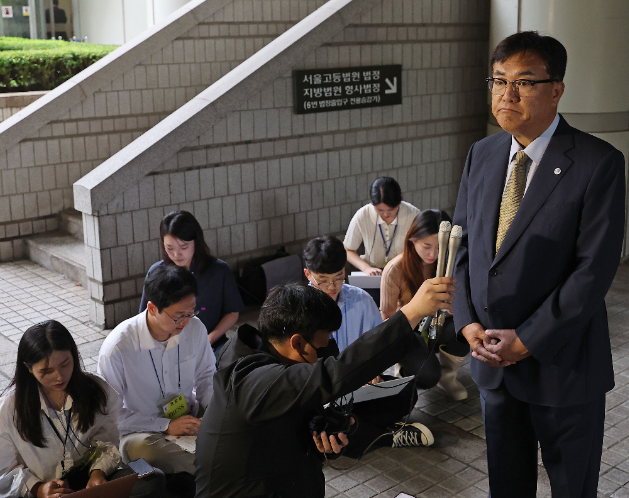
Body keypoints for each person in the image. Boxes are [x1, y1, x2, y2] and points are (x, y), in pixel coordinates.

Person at [453, 31, 625, 498]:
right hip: (494, 364)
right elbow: (464, 248)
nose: (507, 94)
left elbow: (593, 271)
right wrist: (467, 323)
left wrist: (527, 339)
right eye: (498, 80)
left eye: (524, 82)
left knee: (572, 487)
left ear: (556, 89)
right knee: (507, 487)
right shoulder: (482, 154)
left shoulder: (597, 162)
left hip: (563, 366)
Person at [194, 277, 456, 498]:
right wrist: (411, 313)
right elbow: (334, 373)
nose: (324, 355)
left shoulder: (269, 355)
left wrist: (317, 429)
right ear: (297, 342)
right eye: (321, 349)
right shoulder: (251, 380)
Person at [0, 320, 165, 498]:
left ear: (74, 355)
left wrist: (98, 472)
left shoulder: (95, 389)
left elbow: (107, 439)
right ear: (28, 368)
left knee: (152, 479)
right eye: (46, 371)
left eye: (65, 364)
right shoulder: (10, 408)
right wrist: (37, 488)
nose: (59, 376)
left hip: (85, 479)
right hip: (45, 491)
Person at [302, 235, 433, 456]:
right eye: (323, 280)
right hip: (320, 394)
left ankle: (349, 428)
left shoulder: (361, 300)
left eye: (338, 277)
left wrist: (374, 374)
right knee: (317, 421)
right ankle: (382, 435)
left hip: (356, 390)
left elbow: (379, 348)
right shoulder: (299, 307)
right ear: (308, 274)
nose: (332, 287)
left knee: (407, 394)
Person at [99, 265, 216, 496]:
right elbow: (111, 417)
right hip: (142, 432)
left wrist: (213, 414)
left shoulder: (195, 329)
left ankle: (212, 461)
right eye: (178, 316)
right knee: (144, 449)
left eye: (191, 312)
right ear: (152, 308)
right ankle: (216, 469)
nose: (185, 322)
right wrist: (166, 426)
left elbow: (206, 376)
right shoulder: (118, 348)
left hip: (188, 420)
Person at [380, 209, 470, 400]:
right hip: (409, 329)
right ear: (412, 240)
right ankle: (404, 374)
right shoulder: (395, 270)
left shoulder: (452, 263)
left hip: (441, 322)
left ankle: (448, 376)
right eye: (426, 245)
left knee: (464, 328)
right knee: (428, 376)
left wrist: (456, 308)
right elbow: (387, 318)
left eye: (440, 247)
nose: (433, 254)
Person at [139, 211, 244, 357]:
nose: (176, 255)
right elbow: (144, 317)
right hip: (166, 346)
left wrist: (208, 340)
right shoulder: (156, 272)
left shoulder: (218, 270)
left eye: (183, 247)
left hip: (210, 343)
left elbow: (232, 312)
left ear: (196, 242)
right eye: (170, 248)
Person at [343, 177, 420, 276]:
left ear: (400, 200)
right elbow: (348, 250)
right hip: (373, 274)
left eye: (391, 209)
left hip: (404, 272)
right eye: (380, 210)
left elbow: (420, 248)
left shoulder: (413, 214)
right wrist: (366, 268)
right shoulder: (363, 215)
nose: (386, 214)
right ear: (371, 202)